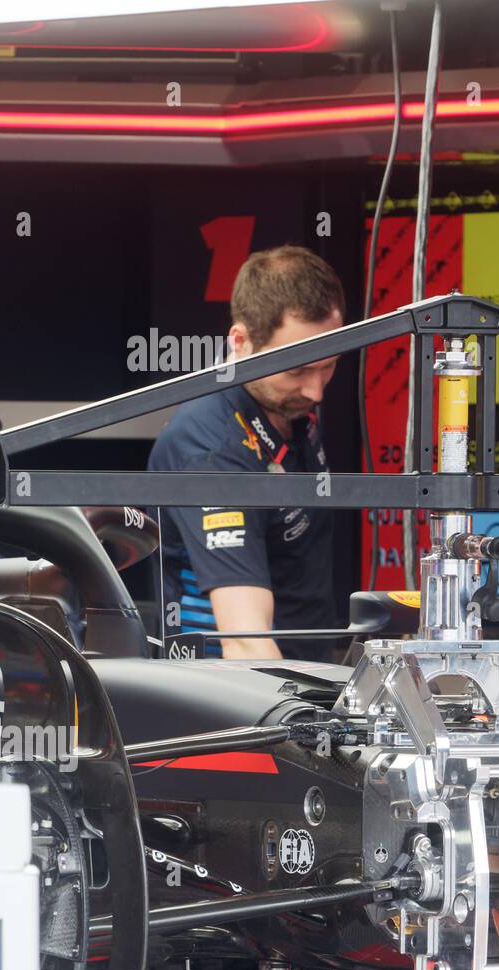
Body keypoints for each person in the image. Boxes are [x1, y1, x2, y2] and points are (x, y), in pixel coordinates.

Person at [148, 245, 345, 660]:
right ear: (241, 342)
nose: (316, 390)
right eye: (298, 370)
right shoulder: (209, 449)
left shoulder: (287, 401)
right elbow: (246, 643)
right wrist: (304, 722)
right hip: (230, 701)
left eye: (328, 365)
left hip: (307, 676)